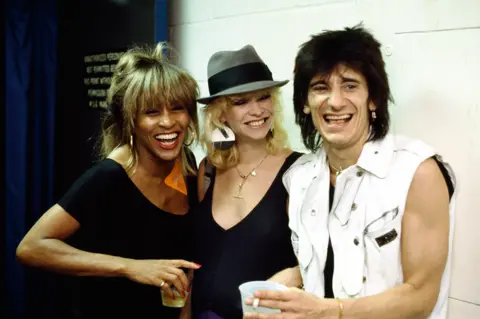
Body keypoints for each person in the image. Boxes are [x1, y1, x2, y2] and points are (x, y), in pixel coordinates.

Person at [244, 25, 456, 319]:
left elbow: (421, 296)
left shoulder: (417, 172)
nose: (335, 101)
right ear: (305, 103)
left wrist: (332, 311)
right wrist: (279, 288)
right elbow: (322, 265)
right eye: (320, 87)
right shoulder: (299, 178)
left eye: (350, 85)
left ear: (373, 99)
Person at [16, 43, 201, 318]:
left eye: (177, 108)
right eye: (151, 112)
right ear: (131, 121)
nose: (168, 122)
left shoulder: (186, 164)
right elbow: (31, 247)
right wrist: (130, 266)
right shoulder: (109, 177)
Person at [189, 45, 303, 319]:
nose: (257, 110)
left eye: (263, 97)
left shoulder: (298, 172)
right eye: (240, 102)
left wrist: (292, 278)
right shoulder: (208, 171)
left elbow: (324, 258)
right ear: (220, 114)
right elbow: (197, 259)